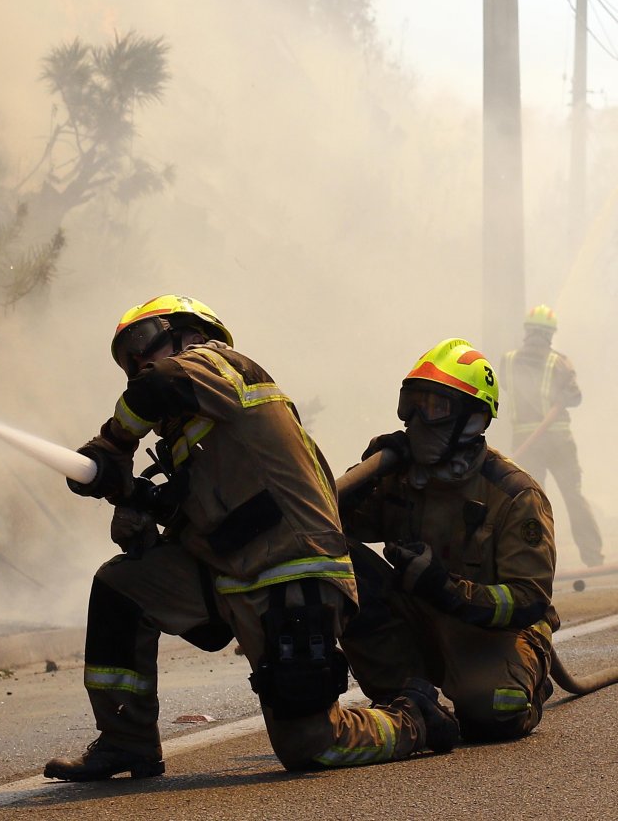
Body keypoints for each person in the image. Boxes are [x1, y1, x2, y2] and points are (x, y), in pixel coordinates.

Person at [44, 295, 458, 782]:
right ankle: (125, 742)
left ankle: (415, 717)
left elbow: (159, 383)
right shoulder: (195, 437)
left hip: (292, 571)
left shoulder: (219, 365)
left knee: (311, 746)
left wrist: (113, 443)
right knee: (122, 585)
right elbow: (207, 513)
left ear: (190, 333)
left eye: (140, 343)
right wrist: (134, 500)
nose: (135, 363)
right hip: (230, 572)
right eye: (124, 359)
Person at [340, 337, 559, 743]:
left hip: (494, 632)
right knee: (338, 563)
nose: (418, 420)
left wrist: (447, 590)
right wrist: (363, 474)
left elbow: (529, 598)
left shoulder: (514, 495)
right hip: (417, 617)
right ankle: (404, 691)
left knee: (494, 714)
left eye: (437, 407)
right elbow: (337, 526)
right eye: (414, 404)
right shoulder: (399, 475)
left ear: (474, 420)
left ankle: (530, 675)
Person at [500, 305, 604, 568]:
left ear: (527, 332)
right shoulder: (559, 362)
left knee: (530, 503)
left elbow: (506, 386)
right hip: (559, 444)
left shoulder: (508, 360)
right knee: (573, 496)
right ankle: (592, 557)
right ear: (550, 334)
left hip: (527, 443)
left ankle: (534, 562)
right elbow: (575, 396)